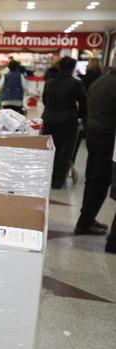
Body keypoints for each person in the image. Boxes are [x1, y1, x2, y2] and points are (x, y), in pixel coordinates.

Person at [75, 57, 116, 236]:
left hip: (93, 131)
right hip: (108, 136)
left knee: (92, 178)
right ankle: (85, 223)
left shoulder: (101, 81)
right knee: (100, 181)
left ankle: (87, 217)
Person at [40, 57, 87, 189]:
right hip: (68, 121)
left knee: (50, 149)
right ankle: (57, 181)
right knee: (64, 151)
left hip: (49, 119)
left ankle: (46, 178)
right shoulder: (76, 83)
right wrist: (79, 115)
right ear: (73, 68)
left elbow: (45, 100)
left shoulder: (49, 82)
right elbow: (84, 103)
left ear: (59, 67)